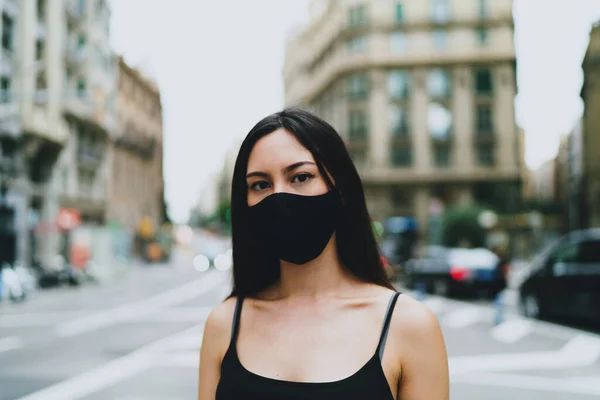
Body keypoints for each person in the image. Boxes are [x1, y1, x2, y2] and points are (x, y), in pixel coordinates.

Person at [198, 108, 449, 400]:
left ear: (340, 189)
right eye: (260, 184)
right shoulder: (224, 324)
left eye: (301, 177)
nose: (279, 196)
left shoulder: (409, 326)